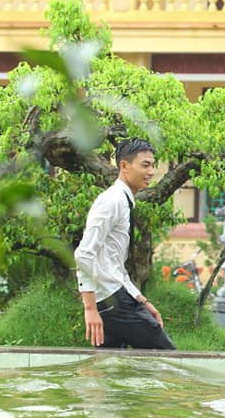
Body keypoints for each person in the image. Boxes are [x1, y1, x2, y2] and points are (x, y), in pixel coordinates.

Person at [75, 138, 176, 350]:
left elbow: (114, 265)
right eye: (145, 165)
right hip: (113, 301)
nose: (151, 172)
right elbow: (84, 254)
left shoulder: (123, 200)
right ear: (124, 166)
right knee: (166, 357)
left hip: (113, 297)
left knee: (108, 369)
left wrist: (142, 300)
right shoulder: (111, 201)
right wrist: (90, 308)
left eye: (153, 165)